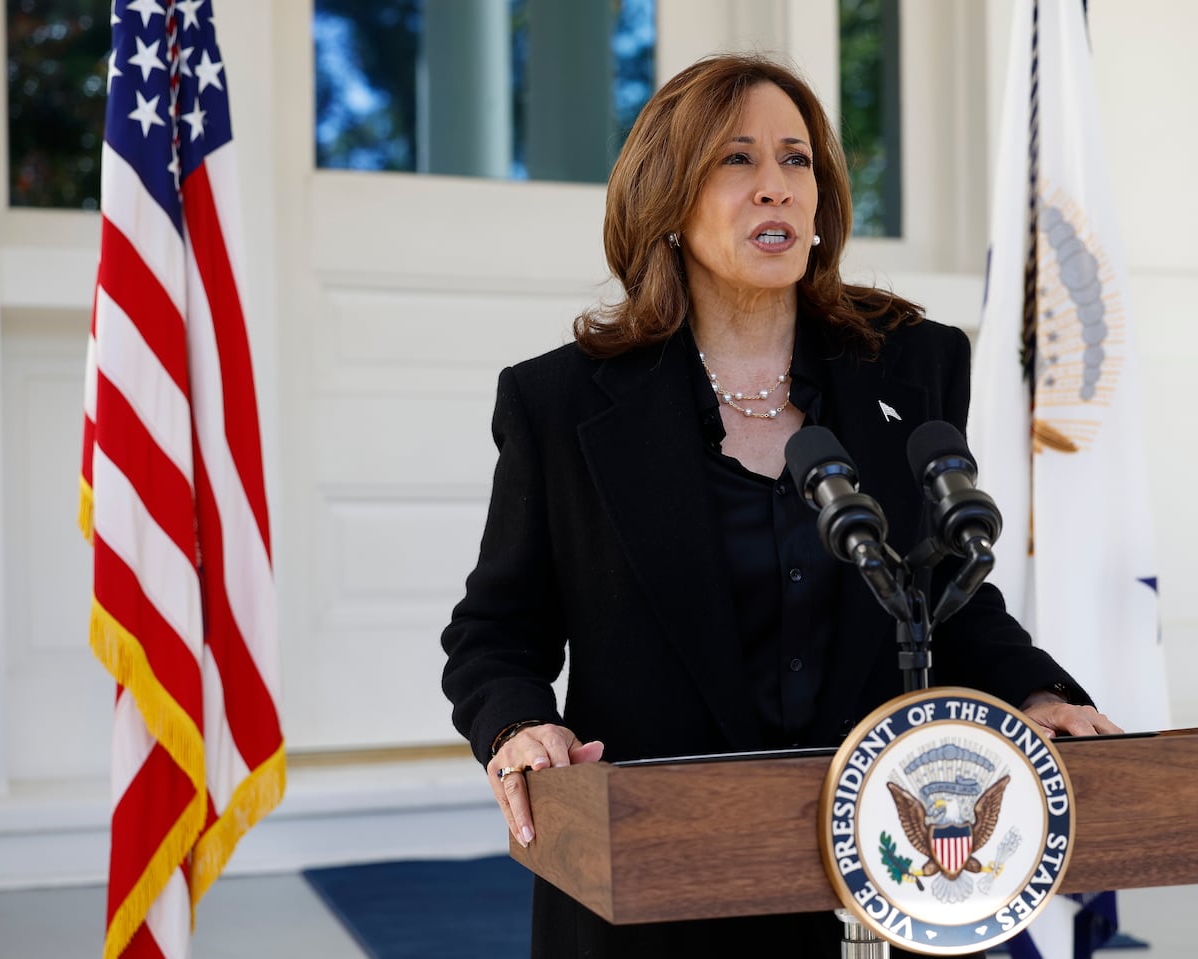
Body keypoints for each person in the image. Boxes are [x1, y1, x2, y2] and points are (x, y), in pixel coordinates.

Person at [440, 52, 1121, 958]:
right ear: (668, 200)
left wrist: (1035, 689)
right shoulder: (560, 405)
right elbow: (496, 632)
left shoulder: (912, 367)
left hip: (877, 885)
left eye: (797, 161)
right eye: (738, 161)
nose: (777, 189)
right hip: (651, 888)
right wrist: (519, 724)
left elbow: (944, 593)